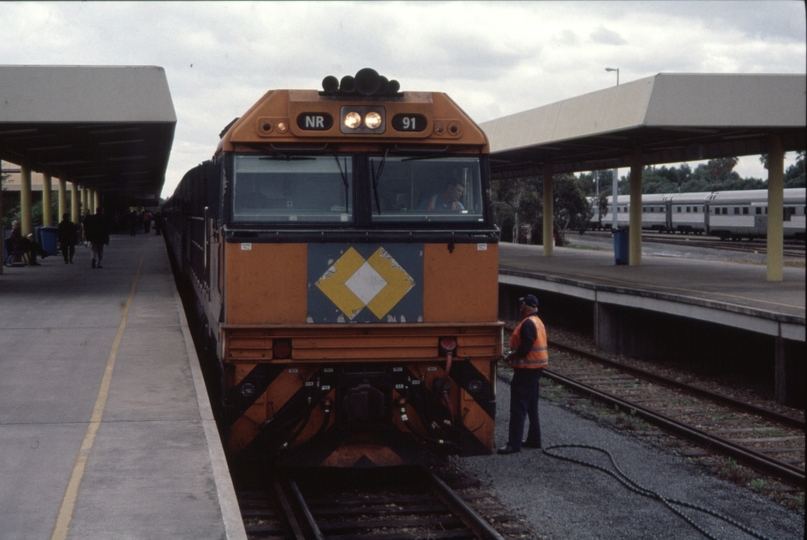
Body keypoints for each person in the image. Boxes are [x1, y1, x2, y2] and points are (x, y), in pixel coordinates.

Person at [498, 294, 548, 454]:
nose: (520, 307)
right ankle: (534, 439)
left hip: (525, 371)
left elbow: (526, 348)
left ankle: (514, 444)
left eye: (522, 304)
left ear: (525, 305)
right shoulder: (538, 321)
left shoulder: (527, 323)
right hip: (536, 370)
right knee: (532, 406)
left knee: (518, 407)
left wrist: (510, 356)